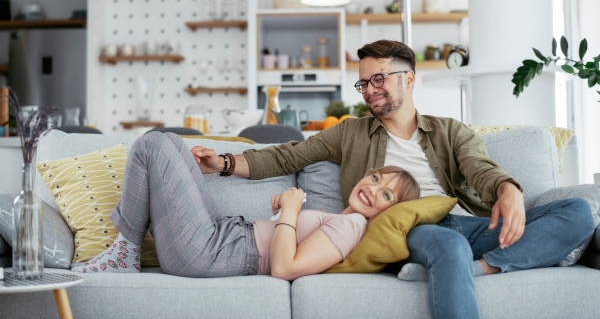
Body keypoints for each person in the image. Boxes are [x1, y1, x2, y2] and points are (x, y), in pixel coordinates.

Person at [192, 40, 595, 319]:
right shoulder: (350, 132)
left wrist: (507, 189)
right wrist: (224, 163)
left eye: (379, 78)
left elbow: (480, 168)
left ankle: (484, 267)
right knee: (449, 244)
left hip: (462, 223)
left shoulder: (450, 131)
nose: (370, 89)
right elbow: (287, 155)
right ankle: (460, 263)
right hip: (406, 228)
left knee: (578, 212)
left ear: (410, 78)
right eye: (364, 82)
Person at [72, 131, 420, 280]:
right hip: (220, 236)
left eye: (387, 195)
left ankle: (124, 252)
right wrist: (283, 213)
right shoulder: (341, 219)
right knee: (171, 144)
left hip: (208, 252)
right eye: (376, 179)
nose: (375, 191)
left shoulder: (352, 227)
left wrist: (290, 212)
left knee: (152, 144)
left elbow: (285, 268)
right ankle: (126, 251)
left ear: (388, 212)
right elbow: (287, 241)